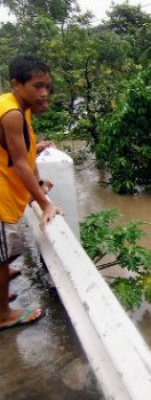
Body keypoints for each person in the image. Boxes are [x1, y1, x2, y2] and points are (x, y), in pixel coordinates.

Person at [0, 55, 62, 331]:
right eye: (37, 86)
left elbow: (20, 152)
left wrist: (36, 149)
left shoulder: (15, 107)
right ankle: (3, 314)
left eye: (47, 86)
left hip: (9, 197)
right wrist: (45, 202)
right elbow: (20, 164)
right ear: (17, 84)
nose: (44, 94)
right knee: (3, 257)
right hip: (2, 200)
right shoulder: (13, 114)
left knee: (7, 257)